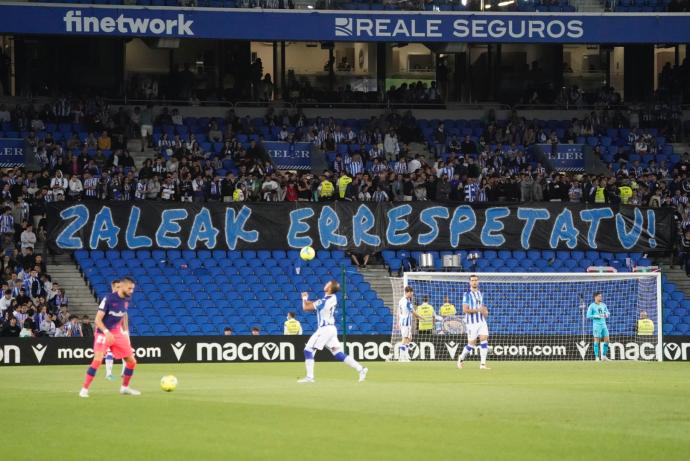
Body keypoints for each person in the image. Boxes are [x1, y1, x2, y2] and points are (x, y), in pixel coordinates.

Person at [79, 276, 139, 398]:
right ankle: (84, 389)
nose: (131, 291)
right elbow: (97, 319)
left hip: (117, 333)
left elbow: (121, 316)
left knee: (132, 361)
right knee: (98, 359)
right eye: (129, 288)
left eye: (133, 289)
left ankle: (125, 387)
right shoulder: (109, 298)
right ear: (122, 286)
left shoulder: (127, 300)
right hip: (103, 332)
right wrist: (106, 332)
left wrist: (124, 332)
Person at [298, 280, 367, 383]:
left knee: (308, 350)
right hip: (331, 329)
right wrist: (306, 300)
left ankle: (309, 377)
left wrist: (304, 299)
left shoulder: (326, 300)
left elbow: (306, 307)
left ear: (329, 288)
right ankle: (361, 369)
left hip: (324, 329)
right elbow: (314, 303)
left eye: (327, 284)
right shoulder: (330, 298)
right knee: (338, 354)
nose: (325, 284)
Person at [456, 275, 490, 370]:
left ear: (478, 282)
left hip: (481, 321)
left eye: (476, 280)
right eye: (472, 280)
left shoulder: (480, 293)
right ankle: (461, 358)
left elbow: (482, 307)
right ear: (469, 282)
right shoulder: (466, 294)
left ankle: (482, 364)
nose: (474, 282)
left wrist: (485, 311)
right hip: (471, 323)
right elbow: (465, 310)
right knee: (471, 344)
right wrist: (478, 310)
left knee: (484, 340)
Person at [396, 286, 422, 362]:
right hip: (405, 322)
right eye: (411, 293)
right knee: (405, 338)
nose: (411, 295)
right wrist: (420, 317)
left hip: (404, 321)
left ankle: (405, 355)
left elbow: (398, 312)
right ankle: (401, 356)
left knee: (409, 338)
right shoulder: (406, 301)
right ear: (407, 292)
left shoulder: (401, 300)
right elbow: (413, 312)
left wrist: (398, 322)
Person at [587, 291, 611, 361]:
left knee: (607, 340)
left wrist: (607, 314)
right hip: (596, 325)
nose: (601, 297)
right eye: (599, 296)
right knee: (597, 341)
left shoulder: (603, 305)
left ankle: (603, 356)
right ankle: (597, 357)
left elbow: (608, 312)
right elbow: (588, 316)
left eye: (601, 296)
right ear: (595, 297)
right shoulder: (592, 306)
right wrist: (595, 316)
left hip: (604, 324)